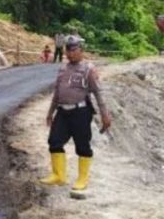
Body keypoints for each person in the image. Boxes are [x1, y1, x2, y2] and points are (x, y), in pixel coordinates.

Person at [40, 35, 112, 191]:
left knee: (82, 145)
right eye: (68, 49)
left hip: (81, 112)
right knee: (54, 141)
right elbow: (57, 93)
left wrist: (104, 114)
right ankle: (59, 175)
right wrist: (50, 112)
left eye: (73, 49)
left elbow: (98, 93)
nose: (70, 53)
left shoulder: (88, 69)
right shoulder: (62, 69)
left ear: (81, 50)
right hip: (62, 111)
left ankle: (82, 178)